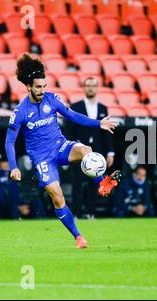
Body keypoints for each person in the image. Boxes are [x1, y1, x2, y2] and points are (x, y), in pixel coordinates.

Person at [5, 53, 121, 249]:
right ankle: (78, 237)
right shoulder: (20, 112)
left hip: (60, 147)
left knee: (86, 150)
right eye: (38, 87)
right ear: (28, 87)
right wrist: (14, 167)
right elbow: (9, 141)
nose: (42, 90)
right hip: (42, 158)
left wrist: (98, 123)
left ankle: (101, 185)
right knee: (57, 196)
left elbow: (73, 115)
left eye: (44, 86)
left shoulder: (52, 99)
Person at [66, 77, 115, 218]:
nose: (91, 88)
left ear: (97, 87)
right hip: (79, 151)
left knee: (95, 183)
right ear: (84, 87)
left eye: (93, 85)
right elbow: (70, 130)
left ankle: (90, 212)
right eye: (88, 85)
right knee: (77, 182)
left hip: (97, 152)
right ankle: (76, 213)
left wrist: (110, 152)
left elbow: (107, 132)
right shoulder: (76, 106)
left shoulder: (103, 108)